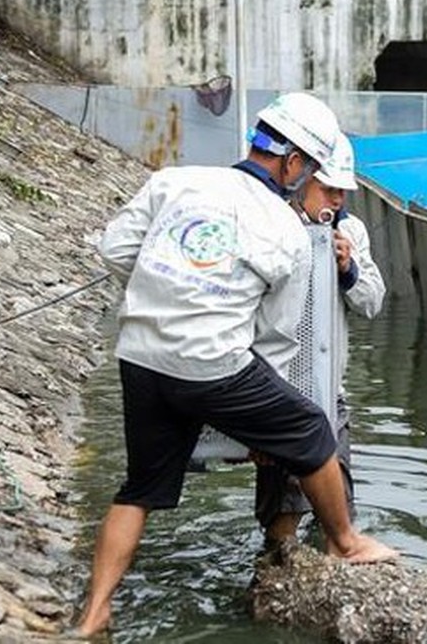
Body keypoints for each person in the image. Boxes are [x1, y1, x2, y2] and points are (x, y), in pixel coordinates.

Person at [75, 93, 395, 637]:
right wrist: (255, 425)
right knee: (313, 430)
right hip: (212, 361)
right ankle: (346, 542)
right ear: (294, 164)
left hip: (140, 355)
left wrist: (169, 293)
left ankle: (93, 614)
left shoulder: (176, 181)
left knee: (139, 489)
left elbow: (115, 249)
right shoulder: (283, 226)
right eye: (315, 171)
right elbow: (274, 339)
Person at [256, 134, 386, 547]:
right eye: (328, 189)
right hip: (279, 388)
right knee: (283, 512)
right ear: (303, 179)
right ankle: (277, 570)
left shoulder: (350, 230)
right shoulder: (272, 222)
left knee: (340, 509)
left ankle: (337, 563)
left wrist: (347, 269)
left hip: (331, 391)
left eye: (342, 192)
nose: (336, 200)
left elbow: (372, 302)